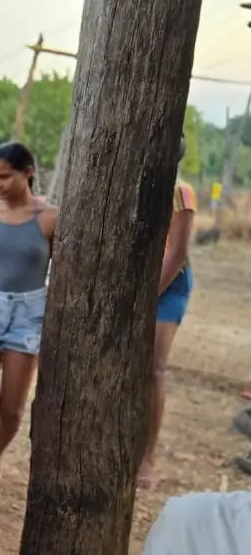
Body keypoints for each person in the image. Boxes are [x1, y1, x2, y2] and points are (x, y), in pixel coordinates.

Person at [0, 142, 56, 514]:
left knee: (11, 409)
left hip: (28, 314)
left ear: (27, 172)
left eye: (4, 176)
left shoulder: (49, 218)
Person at [139, 135, 197, 490]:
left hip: (168, 285)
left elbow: (176, 255)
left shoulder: (181, 193)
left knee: (154, 369)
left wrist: (147, 298)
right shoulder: (138, 186)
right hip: (140, 283)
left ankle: (148, 457)